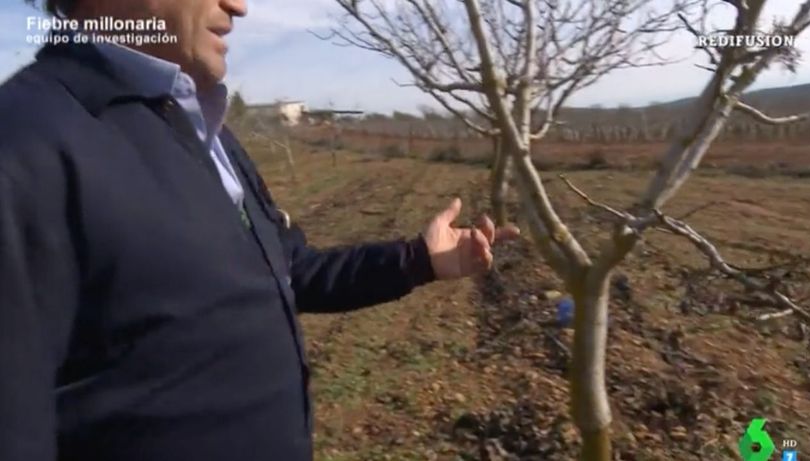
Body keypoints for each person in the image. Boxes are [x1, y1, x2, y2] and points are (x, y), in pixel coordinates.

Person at [0, 0, 520, 460]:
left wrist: (418, 260)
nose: (240, 6)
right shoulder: (23, 144)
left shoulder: (202, 127)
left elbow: (286, 269)